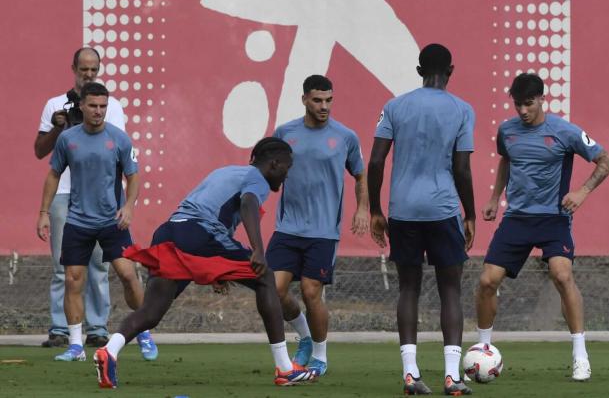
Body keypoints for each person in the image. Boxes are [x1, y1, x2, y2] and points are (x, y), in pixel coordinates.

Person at [93, 137, 318, 388]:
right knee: (265, 277)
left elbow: (216, 221)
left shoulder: (225, 172)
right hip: (197, 231)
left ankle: (109, 351)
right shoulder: (257, 178)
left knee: (151, 311)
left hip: (169, 232)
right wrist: (258, 250)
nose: (286, 176)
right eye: (287, 168)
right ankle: (285, 369)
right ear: (274, 164)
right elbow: (248, 204)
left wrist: (218, 272)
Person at [475, 72, 609, 382]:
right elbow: (506, 161)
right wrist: (494, 197)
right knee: (487, 281)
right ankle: (482, 352)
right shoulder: (507, 131)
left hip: (554, 218)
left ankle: (580, 355)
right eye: (517, 105)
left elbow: (606, 161)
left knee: (562, 275)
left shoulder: (565, 131)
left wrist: (582, 192)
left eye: (528, 104)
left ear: (541, 99)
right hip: (517, 219)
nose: (522, 111)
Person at [368, 43, 475, 396]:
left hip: (403, 210)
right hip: (443, 210)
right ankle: (451, 376)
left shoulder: (394, 107)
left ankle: (410, 373)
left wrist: (375, 210)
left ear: (418, 71)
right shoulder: (462, 110)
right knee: (450, 290)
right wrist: (470, 214)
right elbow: (461, 168)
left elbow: (376, 162)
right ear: (452, 71)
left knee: (408, 288)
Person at [36, 82, 157, 362]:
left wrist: (128, 206)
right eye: (93, 106)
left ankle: (145, 335)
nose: (98, 111)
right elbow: (54, 175)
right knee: (72, 280)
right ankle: (76, 346)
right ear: (82, 106)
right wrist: (43, 212)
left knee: (128, 275)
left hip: (111, 221)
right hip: (78, 221)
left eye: (103, 106)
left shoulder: (119, 139)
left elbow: (134, 175)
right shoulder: (68, 139)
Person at [266, 75, 368, 377]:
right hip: (287, 228)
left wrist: (363, 208)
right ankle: (306, 336)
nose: (324, 106)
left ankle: (321, 357)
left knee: (312, 292)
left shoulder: (346, 137)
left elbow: (360, 176)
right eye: (317, 100)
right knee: (274, 291)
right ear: (304, 100)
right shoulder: (285, 134)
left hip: (323, 232)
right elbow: (265, 174)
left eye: (328, 100)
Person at [34, 47, 122, 349]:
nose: (89, 75)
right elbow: (40, 151)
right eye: (84, 69)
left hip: (98, 195)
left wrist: (120, 199)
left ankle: (97, 327)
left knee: (99, 265)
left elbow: (119, 153)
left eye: (94, 70)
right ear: (73, 68)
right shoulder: (55, 105)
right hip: (63, 193)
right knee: (63, 265)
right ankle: (60, 328)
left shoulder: (112, 106)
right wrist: (60, 126)